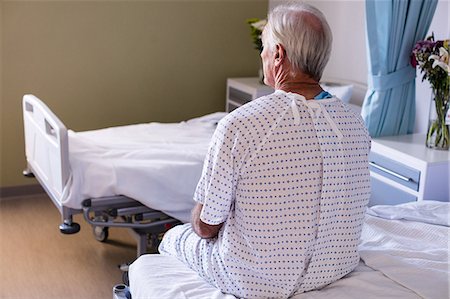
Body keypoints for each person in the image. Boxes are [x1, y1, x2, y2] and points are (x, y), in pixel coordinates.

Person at [159, 2, 371, 298]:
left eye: (265, 46)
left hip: (254, 282)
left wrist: (198, 214)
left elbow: (208, 227)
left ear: (279, 55)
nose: (262, 54)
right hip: (334, 268)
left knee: (172, 237)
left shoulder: (241, 125)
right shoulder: (355, 123)